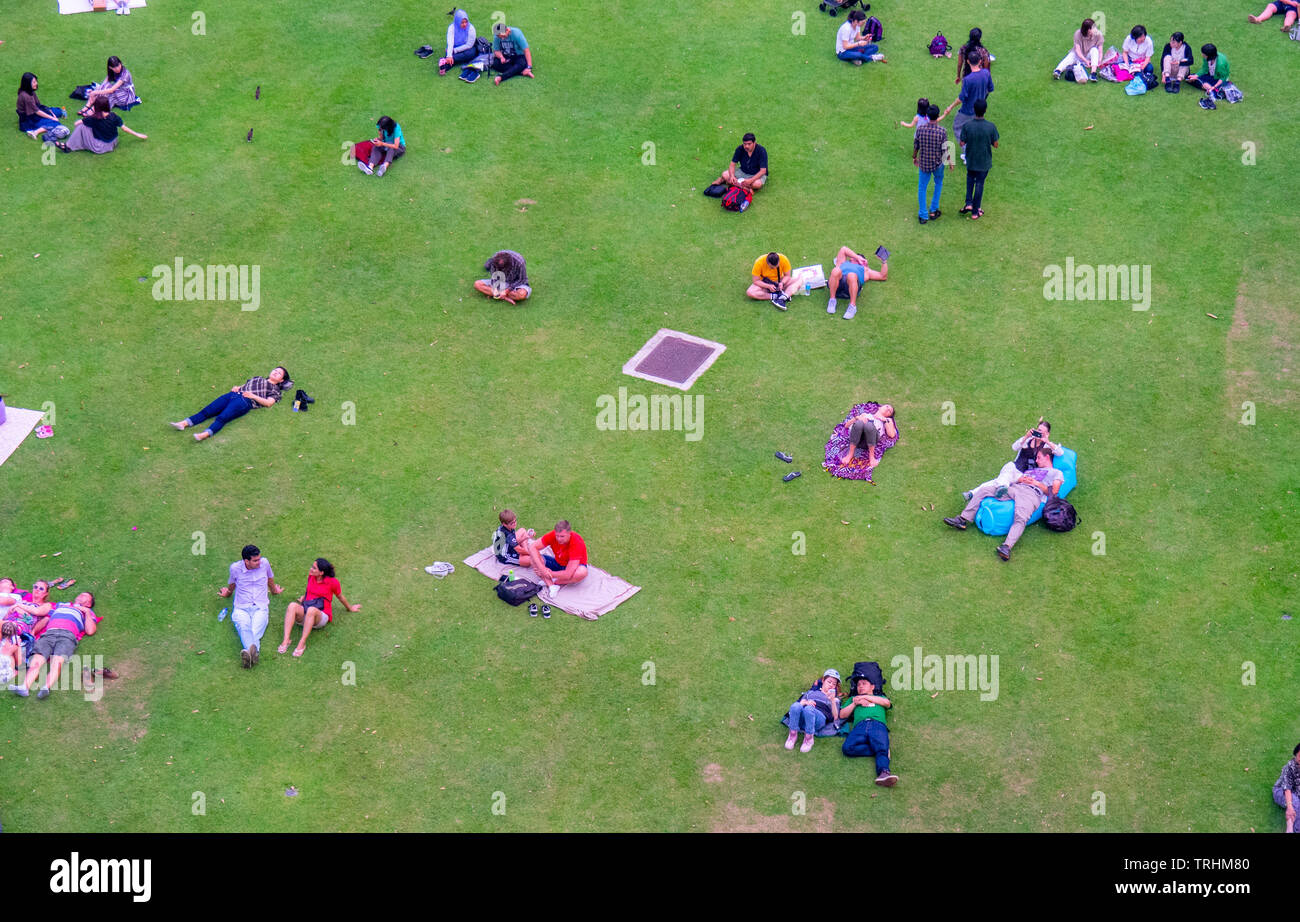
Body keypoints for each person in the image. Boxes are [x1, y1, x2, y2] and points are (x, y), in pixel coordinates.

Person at [944, 445, 1062, 561]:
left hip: (1031, 494)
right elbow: (1017, 479)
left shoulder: (1056, 473)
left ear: (1047, 457)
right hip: (1015, 488)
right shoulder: (1033, 470)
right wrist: (1022, 479)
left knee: (1021, 517)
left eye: (1039, 457)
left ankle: (1006, 547)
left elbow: (1054, 491)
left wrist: (1037, 484)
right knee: (985, 490)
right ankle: (962, 520)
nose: (1036, 460)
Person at [8, 593, 98, 699]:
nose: (80, 595)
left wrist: (86, 611)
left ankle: (46, 687)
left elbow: (90, 630)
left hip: (67, 635)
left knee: (57, 662)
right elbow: (46, 619)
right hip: (49, 634)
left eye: (84, 595)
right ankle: (24, 687)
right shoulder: (61, 605)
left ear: (89, 603)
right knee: (36, 660)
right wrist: (34, 631)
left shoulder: (87, 612)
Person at [171, 366, 293, 441]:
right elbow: (246, 386)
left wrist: (252, 396)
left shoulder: (275, 391)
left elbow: (268, 403)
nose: (275, 372)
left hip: (245, 402)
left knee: (222, 418)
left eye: (279, 373)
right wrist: (237, 387)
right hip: (233, 395)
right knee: (207, 411)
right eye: (275, 370)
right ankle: (184, 423)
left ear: (281, 380)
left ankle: (205, 434)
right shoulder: (258, 378)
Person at [277, 558, 360, 657]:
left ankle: (302, 643)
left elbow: (340, 597)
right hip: (305, 612)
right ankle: (286, 640)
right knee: (292, 605)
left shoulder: (333, 582)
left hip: (320, 616)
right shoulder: (311, 576)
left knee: (312, 610)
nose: (311, 569)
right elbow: (309, 591)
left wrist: (350, 608)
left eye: (314, 568)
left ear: (321, 572)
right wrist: (304, 598)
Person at [962, 419, 1063, 500]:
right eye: (1038, 430)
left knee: (997, 481)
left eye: (1041, 432)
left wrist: (1048, 441)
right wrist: (1025, 437)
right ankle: (978, 492)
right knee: (1007, 470)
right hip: (1015, 467)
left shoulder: (1046, 446)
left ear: (1047, 434)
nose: (1038, 433)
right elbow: (1014, 447)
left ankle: (975, 492)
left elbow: (1060, 452)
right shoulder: (1028, 440)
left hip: (1025, 475)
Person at [220, 545, 283, 668]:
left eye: (259, 559)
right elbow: (232, 583)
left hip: (260, 607)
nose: (259, 562)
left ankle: (249, 655)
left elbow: (270, 578)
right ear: (246, 561)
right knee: (244, 627)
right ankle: (253, 654)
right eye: (255, 560)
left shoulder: (264, 563)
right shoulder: (235, 568)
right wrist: (227, 593)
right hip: (241, 607)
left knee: (254, 630)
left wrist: (274, 590)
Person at [840, 671, 898, 786]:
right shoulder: (853, 699)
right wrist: (855, 703)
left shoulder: (880, 696)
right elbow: (842, 715)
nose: (860, 686)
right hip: (860, 727)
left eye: (864, 684)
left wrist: (866, 697)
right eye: (858, 685)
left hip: (878, 725)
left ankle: (884, 773)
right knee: (847, 748)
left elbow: (887, 703)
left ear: (872, 686)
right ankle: (881, 750)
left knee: (881, 747)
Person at [945, 50, 993, 164]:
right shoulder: (986, 73)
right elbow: (990, 89)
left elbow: (961, 98)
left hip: (967, 110)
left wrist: (950, 107)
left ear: (967, 61)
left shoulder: (968, 79)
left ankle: (968, 153)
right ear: (980, 61)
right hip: (979, 109)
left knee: (957, 127)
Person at [56, 96, 148, 154]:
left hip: (101, 147)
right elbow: (124, 128)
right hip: (113, 142)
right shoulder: (113, 116)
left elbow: (76, 124)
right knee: (87, 126)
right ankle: (70, 145)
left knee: (82, 127)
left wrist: (87, 118)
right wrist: (138, 134)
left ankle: (68, 146)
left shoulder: (94, 118)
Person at [959, 98, 998, 220]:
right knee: (979, 184)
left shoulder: (967, 126)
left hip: (971, 159)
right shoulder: (990, 127)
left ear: (973, 110)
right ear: (985, 110)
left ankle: (969, 203)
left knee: (970, 180)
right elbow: (996, 144)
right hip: (984, 161)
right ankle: (975, 211)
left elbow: (961, 143)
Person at [784, 669, 841, 753]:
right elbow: (800, 703)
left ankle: (808, 738)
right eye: (829, 682)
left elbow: (835, 717)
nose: (831, 685)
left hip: (817, 719)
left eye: (834, 684)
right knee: (795, 706)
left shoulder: (835, 700)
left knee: (809, 709)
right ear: (823, 681)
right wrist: (806, 702)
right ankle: (792, 735)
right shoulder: (810, 693)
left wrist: (832, 700)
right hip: (803, 717)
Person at [825, 246, 887, 320]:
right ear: (851, 257)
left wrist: (884, 261)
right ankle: (832, 300)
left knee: (851, 275)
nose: (859, 260)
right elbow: (843, 249)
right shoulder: (842, 262)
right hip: (836, 285)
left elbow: (882, 276)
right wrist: (858, 257)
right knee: (835, 270)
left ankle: (852, 306)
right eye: (856, 258)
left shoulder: (865, 270)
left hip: (851, 288)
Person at [533, 520, 589, 600]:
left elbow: (568, 574)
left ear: (569, 534)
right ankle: (551, 586)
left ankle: (555, 581)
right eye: (557, 536)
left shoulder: (577, 543)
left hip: (573, 568)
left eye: (562, 536)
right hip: (558, 563)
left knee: (582, 572)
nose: (559, 539)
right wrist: (542, 568)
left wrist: (548, 573)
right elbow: (532, 547)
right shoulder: (553, 535)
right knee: (534, 558)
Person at [914, 104, 947, 224]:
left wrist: (914, 157)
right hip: (938, 164)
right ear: (938, 116)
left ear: (927, 116)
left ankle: (923, 215)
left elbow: (916, 145)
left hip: (924, 163)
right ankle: (933, 210)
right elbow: (945, 149)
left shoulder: (920, 129)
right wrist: (949, 162)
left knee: (922, 187)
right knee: (938, 183)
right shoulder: (942, 131)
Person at [840, 404, 897, 470]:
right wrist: (857, 418)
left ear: (889, 415)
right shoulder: (865, 414)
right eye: (887, 406)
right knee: (859, 423)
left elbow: (892, 434)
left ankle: (871, 456)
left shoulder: (887, 420)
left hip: (870, 440)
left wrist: (884, 420)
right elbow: (846, 426)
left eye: (889, 411)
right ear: (880, 407)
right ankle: (850, 454)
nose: (887, 409)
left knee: (869, 425)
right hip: (857, 438)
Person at [16, 73, 67, 141]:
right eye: (34, 82)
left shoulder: (29, 91)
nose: (36, 83)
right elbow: (37, 111)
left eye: (36, 81)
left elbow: (39, 106)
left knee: (59, 111)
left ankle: (50, 117)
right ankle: (35, 132)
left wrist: (51, 113)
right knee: (55, 123)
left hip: (35, 112)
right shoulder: (26, 96)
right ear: (27, 83)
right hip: (29, 119)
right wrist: (52, 117)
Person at [439, 9, 478, 75]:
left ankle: (446, 61)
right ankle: (444, 66)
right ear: (457, 21)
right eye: (462, 22)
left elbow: (469, 45)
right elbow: (450, 42)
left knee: (472, 52)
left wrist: (454, 51)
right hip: (453, 48)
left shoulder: (471, 29)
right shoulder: (451, 28)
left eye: (466, 22)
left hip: (465, 49)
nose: (465, 24)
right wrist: (449, 55)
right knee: (449, 56)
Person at [1273, 743, 1300, 833]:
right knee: (1295, 803)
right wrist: (1289, 806)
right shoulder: (1290, 766)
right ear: (1296, 754)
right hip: (1281, 791)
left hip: (1296, 794)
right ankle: (1291, 829)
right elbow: (1286, 788)